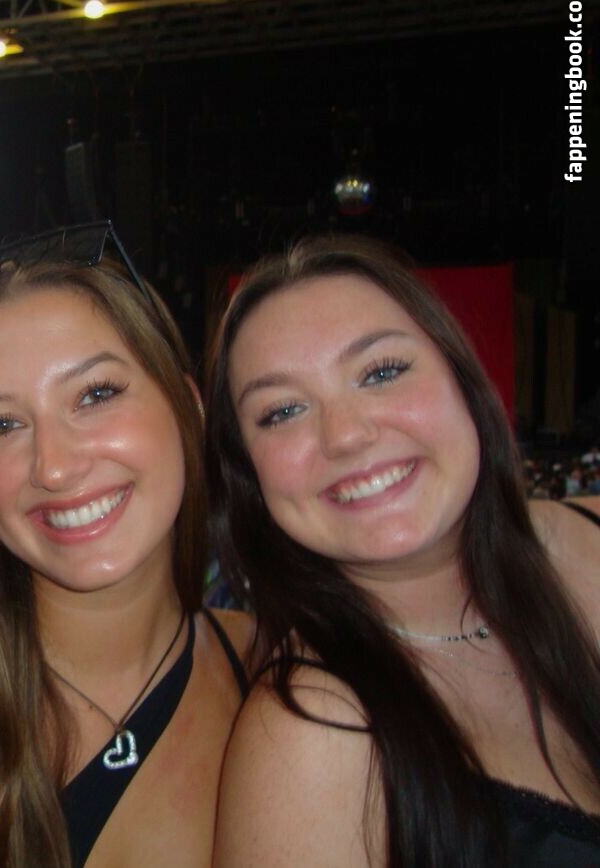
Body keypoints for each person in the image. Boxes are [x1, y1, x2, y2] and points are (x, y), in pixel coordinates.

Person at [206, 235, 600, 865]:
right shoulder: (310, 742)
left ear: (462, 379)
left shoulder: (587, 537)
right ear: (250, 476)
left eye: (382, 372)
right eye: (282, 411)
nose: (346, 435)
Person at [0, 221, 253, 867]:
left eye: (96, 395)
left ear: (188, 406)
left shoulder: (285, 675)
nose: (55, 466)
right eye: (0, 425)